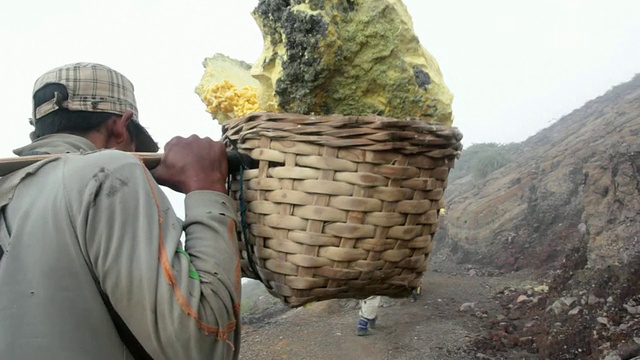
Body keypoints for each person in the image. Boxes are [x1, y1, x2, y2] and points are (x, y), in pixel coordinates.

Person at [0, 62, 242, 359]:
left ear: (36, 135)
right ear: (120, 126)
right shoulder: (108, 172)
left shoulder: (11, 191)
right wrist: (205, 187)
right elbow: (206, 346)